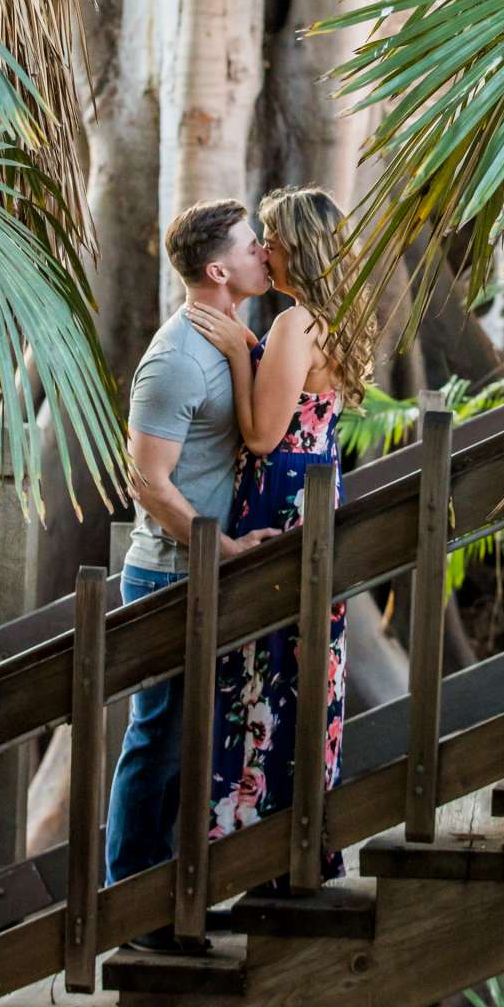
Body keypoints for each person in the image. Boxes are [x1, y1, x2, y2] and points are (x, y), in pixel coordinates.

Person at [188, 185, 375, 889]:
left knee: (262, 665)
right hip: (319, 487)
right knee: (301, 662)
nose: (261, 250)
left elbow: (265, 434)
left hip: (283, 493)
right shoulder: (337, 316)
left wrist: (240, 352)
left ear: (297, 247)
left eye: (271, 237)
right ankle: (295, 839)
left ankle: (251, 846)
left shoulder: (297, 326)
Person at [103, 198, 277, 904]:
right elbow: (146, 479)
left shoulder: (235, 333)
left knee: (196, 742)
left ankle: (173, 893)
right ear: (217, 268)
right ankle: (128, 903)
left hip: (210, 569)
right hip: (170, 575)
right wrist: (224, 549)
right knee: (159, 741)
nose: (263, 251)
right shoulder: (175, 360)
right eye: (251, 244)